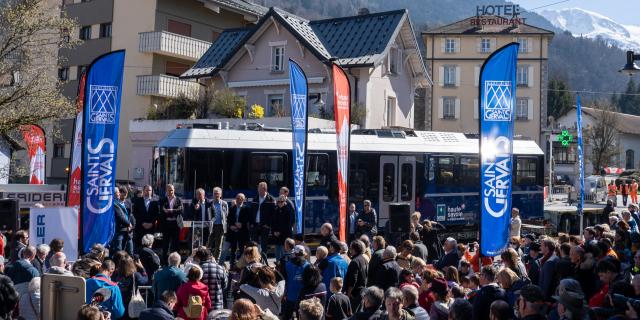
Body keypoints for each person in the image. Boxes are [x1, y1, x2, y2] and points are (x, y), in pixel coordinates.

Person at [112, 255, 148, 319]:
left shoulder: (115, 274)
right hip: (131, 302)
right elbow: (145, 280)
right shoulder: (135, 275)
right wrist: (142, 268)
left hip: (119, 301)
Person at [193, 247, 227, 311]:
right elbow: (225, 286)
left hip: (202, 307)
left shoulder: (197, 270)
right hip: (217, 306)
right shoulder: (220, 268)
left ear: (198, 258)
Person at [283, 245, 310, 319]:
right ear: (304, 253)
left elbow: (284, 279)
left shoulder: (287, 264)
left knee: (287, 316)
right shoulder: (308, 265)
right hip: (303, 296)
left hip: (290, 295)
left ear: (294, 253)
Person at [159, 184, 183, 264]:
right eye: (169, 190)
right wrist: (173, 211)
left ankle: (177, 263)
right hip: (166, 225)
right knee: (165, 245)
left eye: (172, 190)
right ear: (166, 191)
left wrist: (170, 211)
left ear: (174, 190)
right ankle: (165, 263)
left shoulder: (178, 200)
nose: (171, 192)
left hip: (175, 225)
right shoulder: (162, 200)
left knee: (176, 245)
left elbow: (181, 210)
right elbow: (162, 211)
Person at [251, 181, 276, 253]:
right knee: (254, 244)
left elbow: (273, 215)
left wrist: (268, 225)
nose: (258, 191)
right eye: (258, 189)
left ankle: (263, 261)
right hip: (255, 225)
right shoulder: (255, 199)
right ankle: (255, 260)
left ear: (265, 189)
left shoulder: (271, 200)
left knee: (264, 244)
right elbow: (251, 212)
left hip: (265, 226)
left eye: (260, 189)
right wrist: (252, 223)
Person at [133, 185, 159, 252]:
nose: (148, 192)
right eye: (147, 190)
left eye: (150, 190)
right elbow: (135, 213)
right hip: (140, 227)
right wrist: (142, 223)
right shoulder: (138, 201)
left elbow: (157, 214)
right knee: (140, 245)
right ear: (143, 191)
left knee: (150, 245)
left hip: (151, 227)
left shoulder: (155, 201)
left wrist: (152, 223)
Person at [227, 193, 251, 264]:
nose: (238, 200)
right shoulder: (232, 208)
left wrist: (242, 224)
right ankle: (232, 264)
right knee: (233, 249)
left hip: (242, 231)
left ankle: (242, 264)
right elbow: (229, 219)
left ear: (243, 200)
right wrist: (232, 225)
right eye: (237, 198)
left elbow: (247, 219)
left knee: (241, 249)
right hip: (233, 231)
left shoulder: (247, 209)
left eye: (240, 198)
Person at [344, 239, 368, 309]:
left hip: (355, 294)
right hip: (363, 291)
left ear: (355, 249)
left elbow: (353, 279)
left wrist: (349, 293)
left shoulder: (354, 262)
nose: (349, 250)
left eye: (351, 248)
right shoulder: (364, 259)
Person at [112, 187, 134, 256]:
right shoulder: (114, 203)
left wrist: (132, 225)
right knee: (119, 252)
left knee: (130, 252)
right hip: (119, 230)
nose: (119, 194)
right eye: (118, 192)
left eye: (118, 192)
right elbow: (119, 216)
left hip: (128, 231)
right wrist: (128, 224)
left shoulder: (128, 202)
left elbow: (131, 215)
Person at [208, 187, 228, 262]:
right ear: (212, 194)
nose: (216, 195)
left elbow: (226, 215)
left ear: (220, 195)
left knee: (218, 246)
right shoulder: (209, 203)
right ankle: (207, 259)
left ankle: (216, 261)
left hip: (220, 226)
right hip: (211, 226)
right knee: (208, 245)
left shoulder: (224, 204)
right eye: (215, 193)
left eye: (218, 194)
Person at [273, 194, 294, 261]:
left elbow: (288, 224)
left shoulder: (288, 210)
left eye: (281, 201)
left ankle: (284, 266)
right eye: (278, 201)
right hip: (277, 236)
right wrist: (274, 231)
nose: (280, 203)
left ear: (285, 201)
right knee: (277, 253)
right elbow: (273, 222)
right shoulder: (276, 210)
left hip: (285, 235)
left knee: (284, 253)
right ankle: (278, 265)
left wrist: (280, 232)